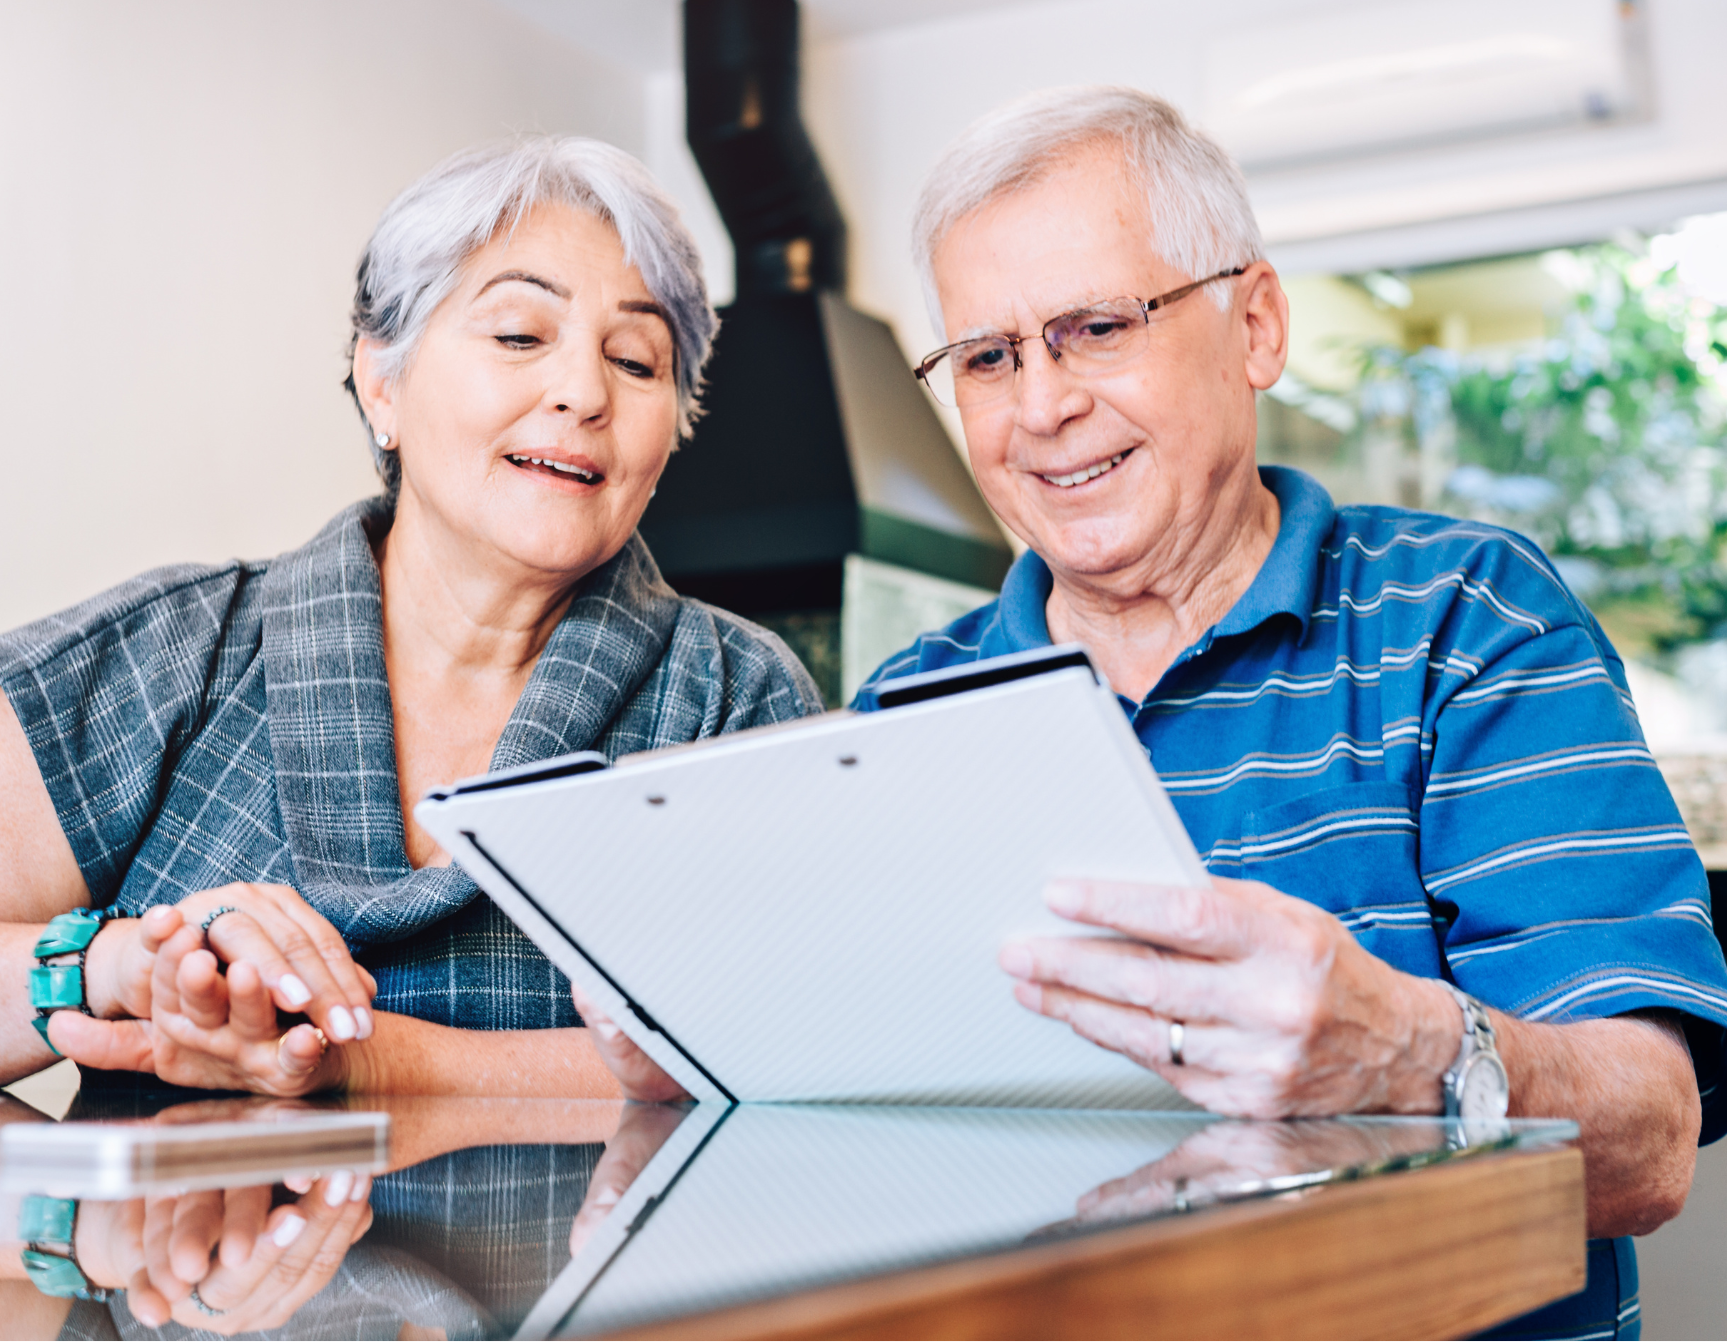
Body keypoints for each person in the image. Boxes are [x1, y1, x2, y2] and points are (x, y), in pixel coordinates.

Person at [578, 85, 1727, 1339]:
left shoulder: (1467, 619)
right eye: (986, 357)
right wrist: (713, 1077)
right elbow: (891, 1162)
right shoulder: (908, 706)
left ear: (1254, 327)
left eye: (1092, 327)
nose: (1039, 407)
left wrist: (1413, 1054)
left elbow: (1648, 1144)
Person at [0, 135, 818, 1115]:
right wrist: (124, 964)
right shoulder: (169, 654)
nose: (583, 391)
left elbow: (803, 1048)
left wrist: (372, 1064)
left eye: (637, 363)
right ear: (383, 382)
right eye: (517, 334)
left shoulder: (736, 697)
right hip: (194, 1292)